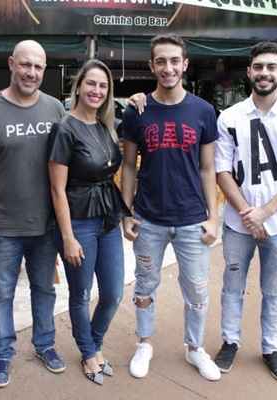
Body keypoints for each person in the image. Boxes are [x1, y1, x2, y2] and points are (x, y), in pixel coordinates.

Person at [120, 34, 221, 382]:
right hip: (149, 218)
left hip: (193, 219)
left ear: (185, 64)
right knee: (145, 285)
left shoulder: (203, 111)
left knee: (197, 290)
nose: (168, 68)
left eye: (174, 61)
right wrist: (127, 211)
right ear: (151, 66)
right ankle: (144, 343)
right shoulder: (138, 110)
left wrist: (213, 217)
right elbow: (129, 165)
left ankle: (195, 349)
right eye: (160, 61)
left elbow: (209, 168)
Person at [0, 40, 67, 388]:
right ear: (11, 64)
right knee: (0, 294)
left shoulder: (56, 109)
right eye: (25, 65)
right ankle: (3, 354)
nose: (31, 73)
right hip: (1, 225)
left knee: (44, 290)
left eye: (38, 67)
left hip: (44, 224)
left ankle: (45, 345)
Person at [213, 41, 277, 382]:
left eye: (271, 67)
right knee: (232, 284)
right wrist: (247, 213)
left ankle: (271, 347)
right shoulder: (229, 117)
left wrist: (265, 213)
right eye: (259, 67)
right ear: (249, 71)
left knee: (274, 289)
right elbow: (221, 171)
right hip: (237, 223)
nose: (264, 73)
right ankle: (230, 341)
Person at [48, 59, 130, 385]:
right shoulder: (64, 128)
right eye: (91, 83)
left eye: (103, 86)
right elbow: (56, 188)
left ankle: (92, 344)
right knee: (81, 294)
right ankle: (89, 353)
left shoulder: (104, 126)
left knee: (112, 293)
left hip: (107, 220)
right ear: (79, 86)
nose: (97, 90)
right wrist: (67, 237)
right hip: (78, 222)